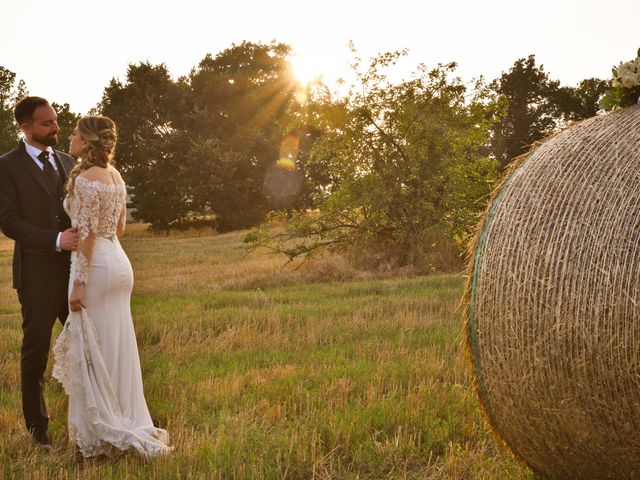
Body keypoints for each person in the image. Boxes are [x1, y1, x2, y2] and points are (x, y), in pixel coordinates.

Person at [52, 115, 172, 457]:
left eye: (75, 133)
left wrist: (79, 284)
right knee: (117, 346)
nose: (70, 138)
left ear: (87, 142)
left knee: (94, 350)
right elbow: (117, 227)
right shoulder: (115, 177)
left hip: (98, 267)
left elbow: (87, 236)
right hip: (120, 263)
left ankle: (101, 432)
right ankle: (123, 415)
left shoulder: (87, 179)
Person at [0, 97, 78, 449]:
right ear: (26, 127)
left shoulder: (67, 161)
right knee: (36, 353)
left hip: (75, 272)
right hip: (35, 274)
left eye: (56, 121)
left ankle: (97, 416)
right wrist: (56, 239)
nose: (55, 128)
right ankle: (38, 431)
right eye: (46, 123)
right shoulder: (7, 166)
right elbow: (9, 222)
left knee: (88, 344)